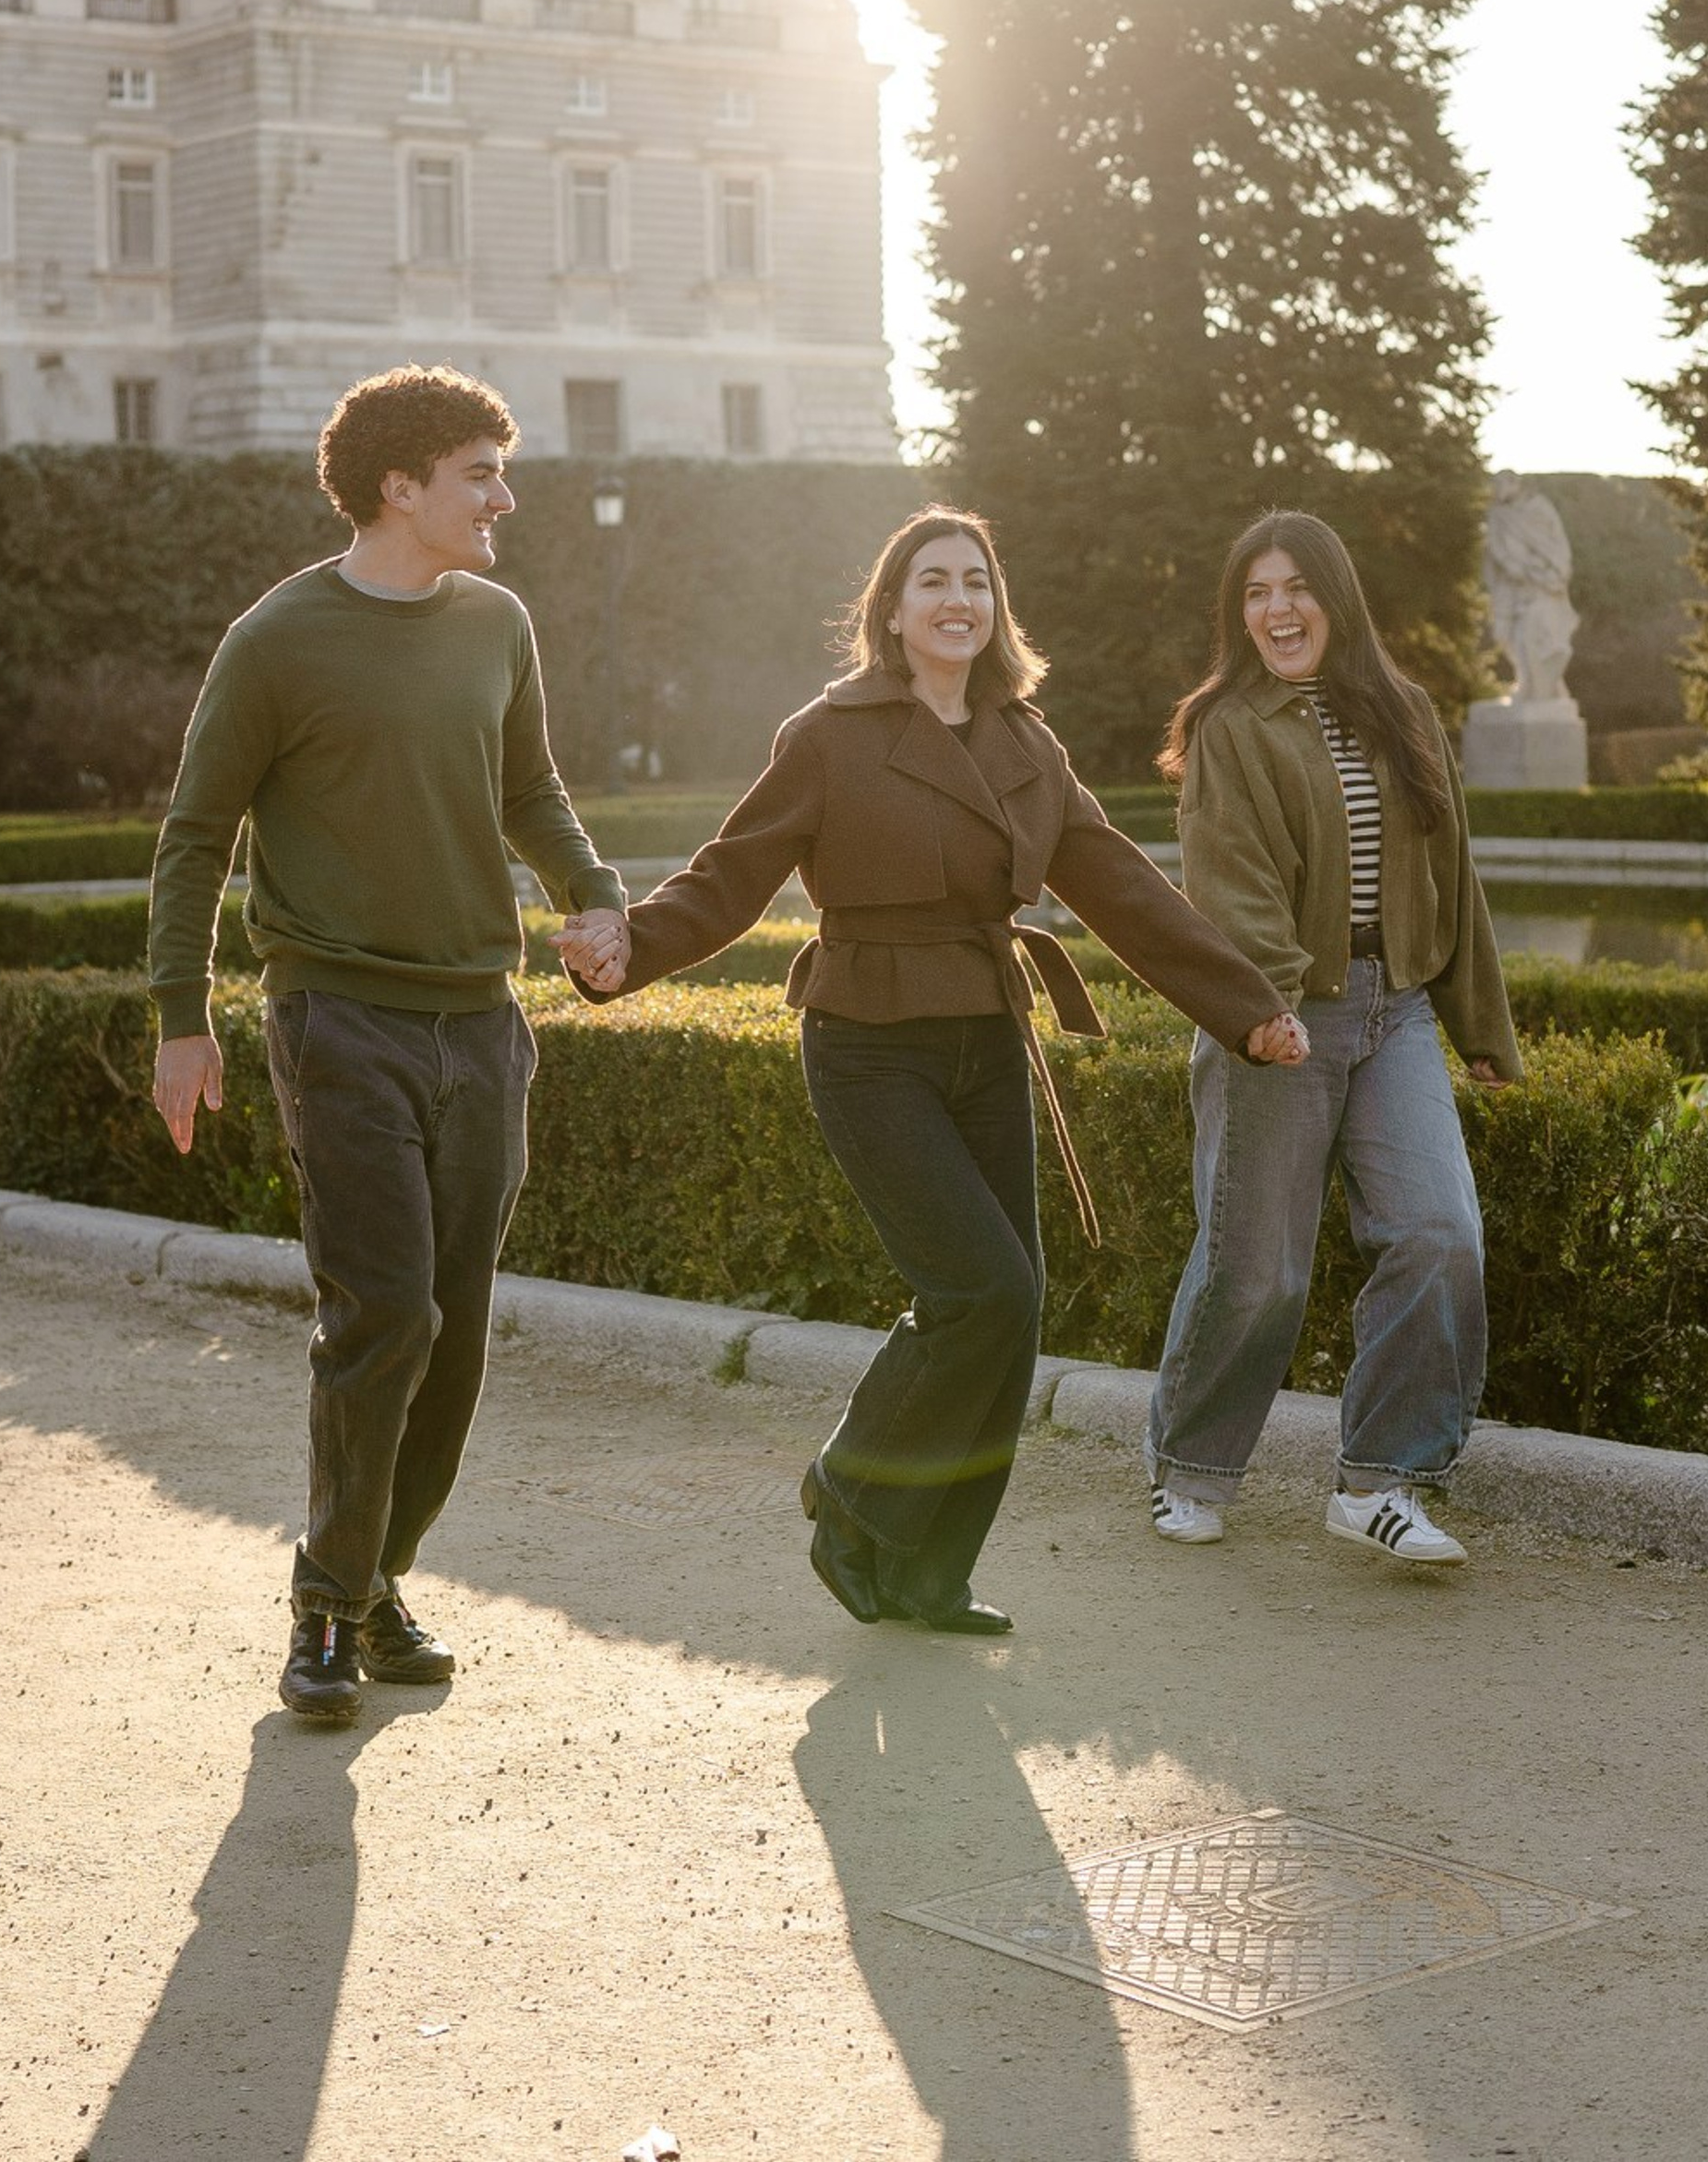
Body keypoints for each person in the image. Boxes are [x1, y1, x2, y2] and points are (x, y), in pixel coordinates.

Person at [556, 506, 1306, 1639]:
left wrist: (1246, 1009)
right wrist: (627, 952)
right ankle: (851, 1483)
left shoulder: (1027, 741)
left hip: (986, 1037)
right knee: (980, 1290)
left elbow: (1120, 886)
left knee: (1012, 1310)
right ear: (892, 611)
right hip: (867, 1041)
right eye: (932, 580)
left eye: (977, 581)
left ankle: (929, 1570)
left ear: (995, 609)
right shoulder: (827, 733)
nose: (959, 598)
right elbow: (730, 874)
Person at [147, 365, 629, 1724]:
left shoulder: (499, 624)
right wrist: (183, 1021)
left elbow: (528, 785)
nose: (505, 499)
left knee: (457, 1332)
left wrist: (589, 894)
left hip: (484, 1020)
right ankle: (323, 1606)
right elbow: (196, 836)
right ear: (400, 486)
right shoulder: (276, 639)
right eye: (481, 472)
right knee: (385, 1315)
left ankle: (373, 1579)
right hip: (336, 1017)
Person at [1144, 510, 1522, 1568]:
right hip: (1274, 1013)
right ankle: (1190, 1467)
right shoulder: (1227, 723)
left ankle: (1380, 1480)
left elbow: (1453, 873)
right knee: (1257, 1269)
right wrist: (1265, 1008)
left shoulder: (1399, 711)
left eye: (1295, 587)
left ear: (1335, 596)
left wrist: (1478, 1023)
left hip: (1392, 1005)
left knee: (1440, 1234)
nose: (1276, 610)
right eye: (1255, 594)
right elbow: (1231, 880)